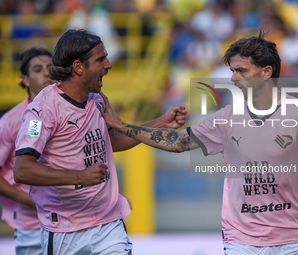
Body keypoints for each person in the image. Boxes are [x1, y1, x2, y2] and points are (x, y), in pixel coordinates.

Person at [100, 30, 298, 254]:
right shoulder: (227, 117)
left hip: (293, 240)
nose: (234, 78)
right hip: (240, 241)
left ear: (266, 72)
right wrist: (122, 126)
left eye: (242, 71)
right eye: (232, 71)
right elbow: (179, 142)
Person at [13, 29, 186, 255]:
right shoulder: (42, 110)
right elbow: (22, 170)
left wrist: (161, 122)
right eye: (101, 59)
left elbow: (111, 141)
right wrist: (80, 177)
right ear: (78, 67)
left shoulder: (97, 100)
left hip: (108, 224)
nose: (109, 65)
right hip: (65, 229)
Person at [0, 47, 54, 255]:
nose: (47, 73)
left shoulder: (69, 110)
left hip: (72, 221)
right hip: (31, 225)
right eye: (38, 69)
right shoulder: (10, 122)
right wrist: (26, 199)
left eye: (50, 68)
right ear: (25, 79)